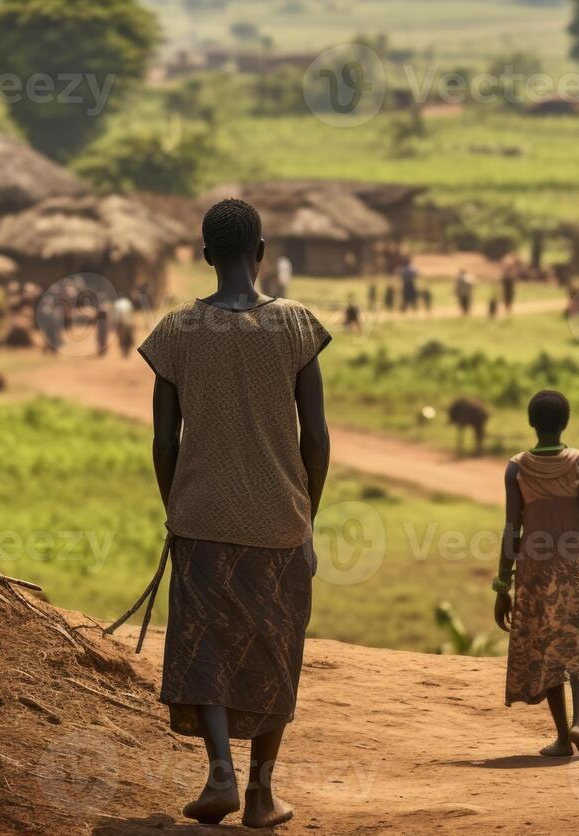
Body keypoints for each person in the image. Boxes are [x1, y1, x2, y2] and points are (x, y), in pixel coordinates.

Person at [138, 199, 332, 829]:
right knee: (275, 649)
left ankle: (219, 771)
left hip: (201, 518)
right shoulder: (299, 327)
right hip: (279, 521)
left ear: (204, 255)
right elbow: (317, 438)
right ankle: (260, 793)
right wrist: (307, 514)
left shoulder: (176, 333)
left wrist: (177, 508)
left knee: (207, 649)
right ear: (262, 252)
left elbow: (164, 441)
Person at [494, 390, 579, 759]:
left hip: (534, 570)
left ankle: (562, 735)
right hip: (575, 565)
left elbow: (512, 528)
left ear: (532, 422)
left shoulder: (517, 468)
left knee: (546, 649)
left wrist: (502, 584)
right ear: (566, 422)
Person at [114, 294, 136, 358]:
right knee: (128, 338)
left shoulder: (117, 304)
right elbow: (131, 313)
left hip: (121, 323)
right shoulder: (128, 303)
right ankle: (126, 352)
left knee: (122, 338)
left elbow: (116, 315)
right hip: (128, 323)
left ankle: (123, 352)